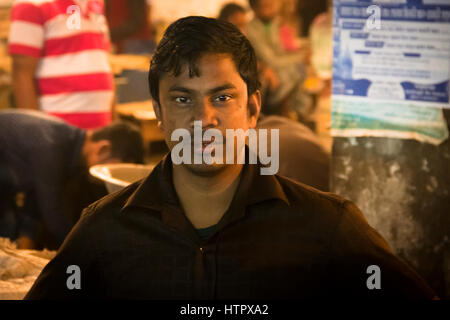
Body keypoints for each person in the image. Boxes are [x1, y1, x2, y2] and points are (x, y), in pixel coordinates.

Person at [25, 16, 436, 299]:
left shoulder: (327, 228)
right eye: (182, 99)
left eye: (223, 97)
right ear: (159, 114)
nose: (204, 119)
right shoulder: (104, 232)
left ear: (253, 109)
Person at [0, 109, 144, 250]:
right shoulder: (53, 147)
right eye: (115, 168)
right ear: (103, 149)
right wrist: (90, 253)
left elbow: (35, 199)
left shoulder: (67, 148)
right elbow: (53, 217)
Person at [8, 0, 114, 129]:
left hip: (99, 132)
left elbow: (102, 64)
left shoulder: (96, 3)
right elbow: (21, 74)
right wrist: (37, 135)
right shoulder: (31, 3)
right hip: (57, 132)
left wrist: (113, 127)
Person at [246, 0, 310, 121]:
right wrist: (301, 56)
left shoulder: (276, 23)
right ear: (254, 8)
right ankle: (279, 115)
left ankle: (297, 114)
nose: (271, 9)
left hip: (277, 69)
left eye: (272, 5)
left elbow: (282, 52)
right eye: (266, 6)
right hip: (262, 73)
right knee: (292, 72)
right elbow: (271, 60)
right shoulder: (251, 29)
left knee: (299, 69)